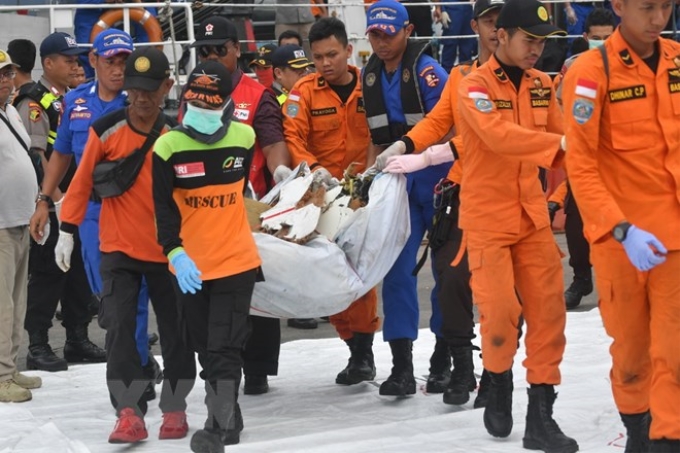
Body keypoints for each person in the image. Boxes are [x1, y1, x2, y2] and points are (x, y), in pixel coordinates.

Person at [381, 0, 578, 449]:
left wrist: (582, 159)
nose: (536, 50)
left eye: (542, 42)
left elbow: (566, 135)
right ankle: (499, 384)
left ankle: (541, 414)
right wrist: (410, 146)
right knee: (500, 314)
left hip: (531, 216)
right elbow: (497, 137)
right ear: (501, 36)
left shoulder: (543, 85)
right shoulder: (471, 86)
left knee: (548, 313)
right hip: (487, 217)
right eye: (529, 40)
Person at [51, 47, 196, 443]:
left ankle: (176, 407)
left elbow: (192, 197)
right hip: (118, 251)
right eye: (134, 90)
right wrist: (67, 230)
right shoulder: (105, 130)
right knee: (117, 333)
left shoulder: (174, 138)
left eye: (150, 90)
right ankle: (129, 411)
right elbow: (80, 184)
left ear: (167, 86)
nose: (142, 99)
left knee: (177, 333)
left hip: (168, 255)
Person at [562, 0, 680, 450]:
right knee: (631, 357)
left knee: (674, 353)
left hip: (675, 238)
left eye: (667, 7)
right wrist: (621, 228)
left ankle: (668, 438)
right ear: (619, 6)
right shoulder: (592, 72)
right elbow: (582, 165)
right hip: (622, 240)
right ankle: (638, 431)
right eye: (648, 7)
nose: (658, 20)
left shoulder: (675, 61)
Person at [377, 0, 505, 408]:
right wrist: (406, 145)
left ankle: (469, 366)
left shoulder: (527, 82)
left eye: (503, 21)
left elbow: (495, 132)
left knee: (482, 286)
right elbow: (436, 120)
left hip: (478, 186)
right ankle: (429, 363)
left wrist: (428, 155)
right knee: (428, 275)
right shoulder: (463, 75)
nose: (496, 28)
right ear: (476, 25)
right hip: (441, 182)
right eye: (488, 19)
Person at [29, 30, 161, 400]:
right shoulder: (74, 101)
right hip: (90, 215)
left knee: (130, 297)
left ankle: (137, 366)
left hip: (135, 215)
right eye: (111, 61)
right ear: (94, 62)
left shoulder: (141, 100)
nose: (118, 69)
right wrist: (44, 201)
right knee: (108, 299)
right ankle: (137, 359)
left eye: (124, 61)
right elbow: (62, 155)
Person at [153, 60, 262, 453]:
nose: (201, 113)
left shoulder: (244, 138)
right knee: (203, 345)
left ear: (226, 105)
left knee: (223, 347)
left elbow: (237, 195)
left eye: (210, 105)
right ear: (184, 102)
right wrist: (176, 254)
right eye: (194, 104)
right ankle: (230, 412)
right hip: (191, 267)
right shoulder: (167, 147)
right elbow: (163, 211)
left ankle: (216, 425)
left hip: (236, 260)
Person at [188, 16, 292, 395]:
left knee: (253, 289)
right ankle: (215, 367)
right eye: (205, 51)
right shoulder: (193, 92)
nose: (211, 57)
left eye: (219, 50)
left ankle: (259, 368)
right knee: (209, 294)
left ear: (236, 50)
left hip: (247, 206)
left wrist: (281, 171)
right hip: (202, 207)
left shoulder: (257, 94)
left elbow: (272, 139)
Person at [283, 17, 380, 386]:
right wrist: (317, 171)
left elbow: (380, 132)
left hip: (362, 193)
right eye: (318, 56)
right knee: (329, 273)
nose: (325, 63)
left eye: (332, 55)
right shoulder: (304, 92)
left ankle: (363, 353)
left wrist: (369, 178)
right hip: (321, 196)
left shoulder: (371, 86)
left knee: (362, 273)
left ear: (348, 50)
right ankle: (351, 344)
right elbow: (294, 138)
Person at [361, 0, 451, 397]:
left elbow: (449, 128)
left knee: (447, 273)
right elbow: (375, 137)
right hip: (398, 186)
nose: (382, 42)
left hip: (437, 181)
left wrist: (416, 154)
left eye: (389, 33)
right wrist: (368, 176)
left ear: (408, 30)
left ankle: (446, 358)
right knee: (396, 272)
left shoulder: (429, 73)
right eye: (375, 35)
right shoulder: (372, 76)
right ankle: (401, 366)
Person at [14, 32, 105, 373]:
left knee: (78, 270)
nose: (75, 65)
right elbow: (36, 156)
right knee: (49, 273)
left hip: (77, 202)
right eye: (68, 60)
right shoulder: (34, 102)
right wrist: (55, 199)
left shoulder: (72, 99)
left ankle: (77, 338)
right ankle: (37, 344)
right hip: (52, 205)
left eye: (77, 59)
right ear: (47, 63)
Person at [549, 7, 616, 310]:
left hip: (622, 157)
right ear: (586, 37)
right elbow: (560, 109)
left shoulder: (630, 65)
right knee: (576, 221)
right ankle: (581, 277)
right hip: (586, 155)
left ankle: (618, 282)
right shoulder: (572, 67)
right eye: (596, 38)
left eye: (608, 37)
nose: (602, 43)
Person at [0, 49, 42, 403]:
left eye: (7, 73)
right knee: (2, 306)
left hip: (18, 220)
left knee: (17, 301)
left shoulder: (11, 111)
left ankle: (9, 368)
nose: (4, 79)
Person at [269, 44, 318, 331]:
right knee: (292, 246)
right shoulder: (275, 101)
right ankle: (298, 307)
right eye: (297, 71)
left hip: (310, 174)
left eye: (306, 69)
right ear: (278, 73)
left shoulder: (305, 94)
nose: (305, 74)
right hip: (286, 180)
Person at [74, 0, 158, 79]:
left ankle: (144, 75)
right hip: (90, 12)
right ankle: (91, 81)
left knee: (146, 42)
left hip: (129, 8)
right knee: (86, 49)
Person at [435, 0, 477, 72]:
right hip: (451, 7)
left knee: (467, 47)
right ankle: (446, 75)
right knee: (450, 45)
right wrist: (442, 9)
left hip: (468, 8)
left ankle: (465, 75)